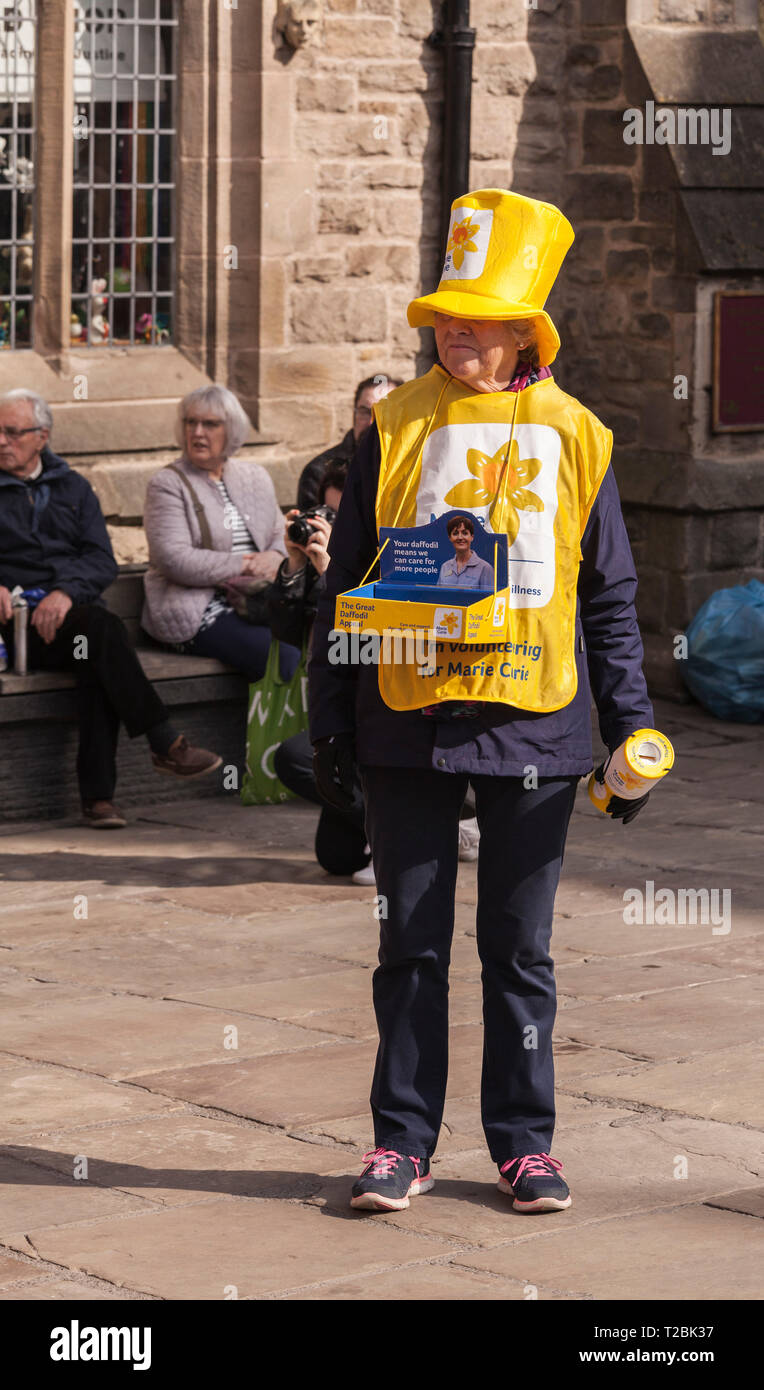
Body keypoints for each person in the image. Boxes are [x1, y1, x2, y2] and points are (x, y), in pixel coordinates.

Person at [308, 189, 655, 1215]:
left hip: (537, 725)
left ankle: (525, 1145)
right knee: (406, 945)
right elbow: (346, 578)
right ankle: (400, 1141)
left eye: (476, 315)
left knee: (519, 949)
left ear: (522, 331)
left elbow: (609, 593)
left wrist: (629, 723)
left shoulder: (579, 434)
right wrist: (329, 716)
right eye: (443, 314)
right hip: (406, 719)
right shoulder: (394, 423)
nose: (454, 329)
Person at [0, 388, 222, 829]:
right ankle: (159, 747)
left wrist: (65, 592)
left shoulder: (74, 488)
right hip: (13, 627)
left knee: (97, 647)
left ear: (42, 436)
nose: (2, 442)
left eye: (12, 432)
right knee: (104, 639)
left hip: (68, 622)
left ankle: (101, 800)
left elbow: (100, 559)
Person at [141, 384, 299, 682]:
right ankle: (285, 731)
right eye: (191, 422)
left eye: (210, 424)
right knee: (284, 656)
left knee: (326, 641)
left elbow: (280, 534)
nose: (198, 432)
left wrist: (276, 555)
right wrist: (246, 564)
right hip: (196, 609)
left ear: (232, 430)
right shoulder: (167, 484)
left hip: (256, 601)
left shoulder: (255, 477)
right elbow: (173, 558)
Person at [267, 464, 371, 878]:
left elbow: (370, 641)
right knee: (337, 858)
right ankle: (436, 823)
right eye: (324, 515)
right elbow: (283, 633)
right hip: (336, 713)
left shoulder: (380, 561)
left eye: (340, 518)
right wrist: (294, 566)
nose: (329, 526)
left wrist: (337, 573)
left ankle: (409, 829)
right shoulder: (314, 562)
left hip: (375, 711)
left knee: (293, 758)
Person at [296, 374, 402, 511]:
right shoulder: (319, 471)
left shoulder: (413, 467)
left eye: (384, 414)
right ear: (354, 414)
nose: (372, 422)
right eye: (365, 412)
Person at [438, 514, 494, 589]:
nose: (460, 537)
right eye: (455, 533)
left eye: (465, 533)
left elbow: (489, 599)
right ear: (450, 538)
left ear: (472, 537)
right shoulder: (445, 567)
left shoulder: (485, 568)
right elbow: (438, 597)